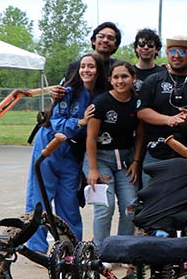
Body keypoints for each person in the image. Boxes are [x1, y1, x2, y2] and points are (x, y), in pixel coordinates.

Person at [25, 54, 108, 252]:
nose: (86, 70)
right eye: (83, 66)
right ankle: (36, 247)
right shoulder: (67, 92)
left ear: (99, 71)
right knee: (40, 197)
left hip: (72, 152)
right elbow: (57, 124)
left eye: (91, 66)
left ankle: (71, 246)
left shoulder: (102, 95)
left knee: (69, 200)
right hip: (50, 146)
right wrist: (79, 122)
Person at [136, 36, 187, 185]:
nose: (176, 55)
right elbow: (142, 111)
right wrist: (167, 119)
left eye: (182, 51)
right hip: (157, 153)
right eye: (172, 51)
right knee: (154, 203)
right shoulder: (153, 80)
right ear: (167, 54)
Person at [85, 62, 144, 246]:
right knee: (105, 206)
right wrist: (93, 169)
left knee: (130, 207)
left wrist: (136, 161)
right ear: (110, 80)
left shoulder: (137, 103)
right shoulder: (101, 103)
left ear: (133, 78)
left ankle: (121, 248)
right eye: (116, 77)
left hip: (126, 161)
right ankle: (100, 251)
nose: (120, 81)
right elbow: (91, 137)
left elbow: (140, 135)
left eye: (125, 76)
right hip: (100, 159)